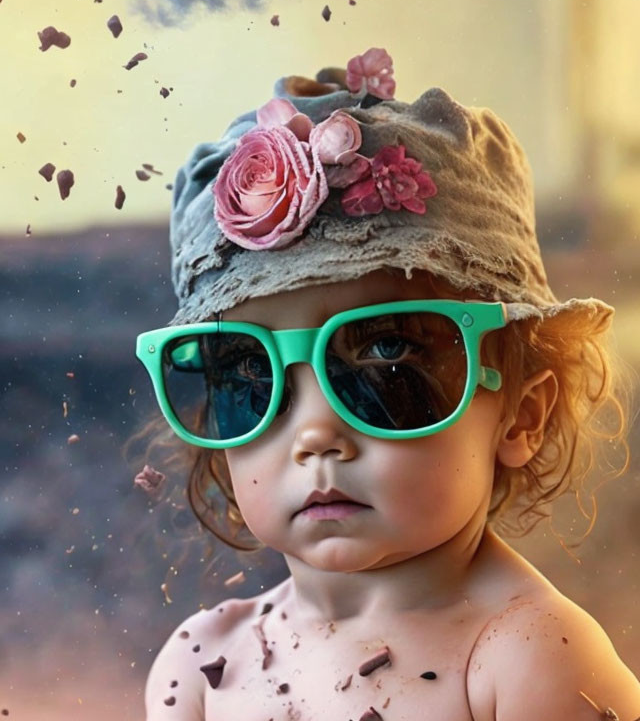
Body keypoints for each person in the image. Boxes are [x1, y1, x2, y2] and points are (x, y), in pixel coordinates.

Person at [135, 48, 640, 720]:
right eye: (250, 372)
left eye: (386, 354)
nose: (316, 436)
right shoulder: (199, 668)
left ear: (522, 414)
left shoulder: (528, 657)